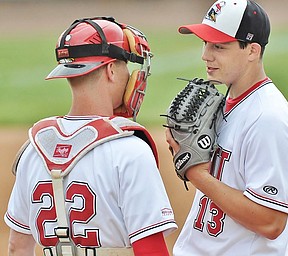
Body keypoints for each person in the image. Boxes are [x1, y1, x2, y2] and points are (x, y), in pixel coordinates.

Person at [5, 17, 177, 256]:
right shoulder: (130, 150)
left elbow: (17, 247)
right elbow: (151, 251)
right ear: (110, 70)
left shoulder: (34, 149)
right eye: (125, 66)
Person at [165, 0, 288, 255]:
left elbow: (270, 221)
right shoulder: (227, 102)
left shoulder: (268, 119)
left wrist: (197, 175)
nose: (205, 55)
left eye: (218, 46)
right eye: (205, 44)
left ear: (252, 50)